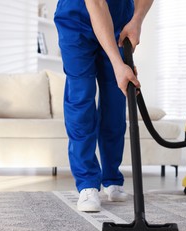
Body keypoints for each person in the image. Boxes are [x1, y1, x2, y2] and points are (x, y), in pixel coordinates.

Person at [54, 0, 154, 212]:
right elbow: (97, 3)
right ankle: (87, 184)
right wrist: (118, 63)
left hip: (119, 18)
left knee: (116, 100)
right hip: (76, 21)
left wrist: (137, 20)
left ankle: (112, 178)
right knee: (81, 100)